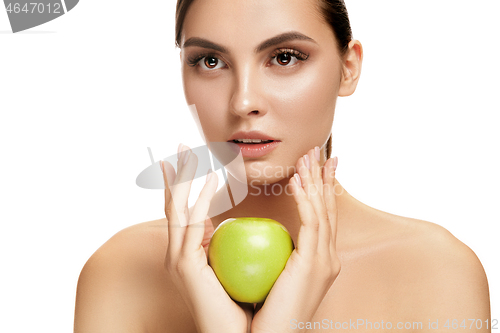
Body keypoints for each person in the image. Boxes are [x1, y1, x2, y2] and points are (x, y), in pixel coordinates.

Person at [73, 0, 490, 332]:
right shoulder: (121, 272)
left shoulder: (436, 272)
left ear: (348, 68)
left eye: (285, 57)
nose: (243, 102)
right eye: (210, 61)